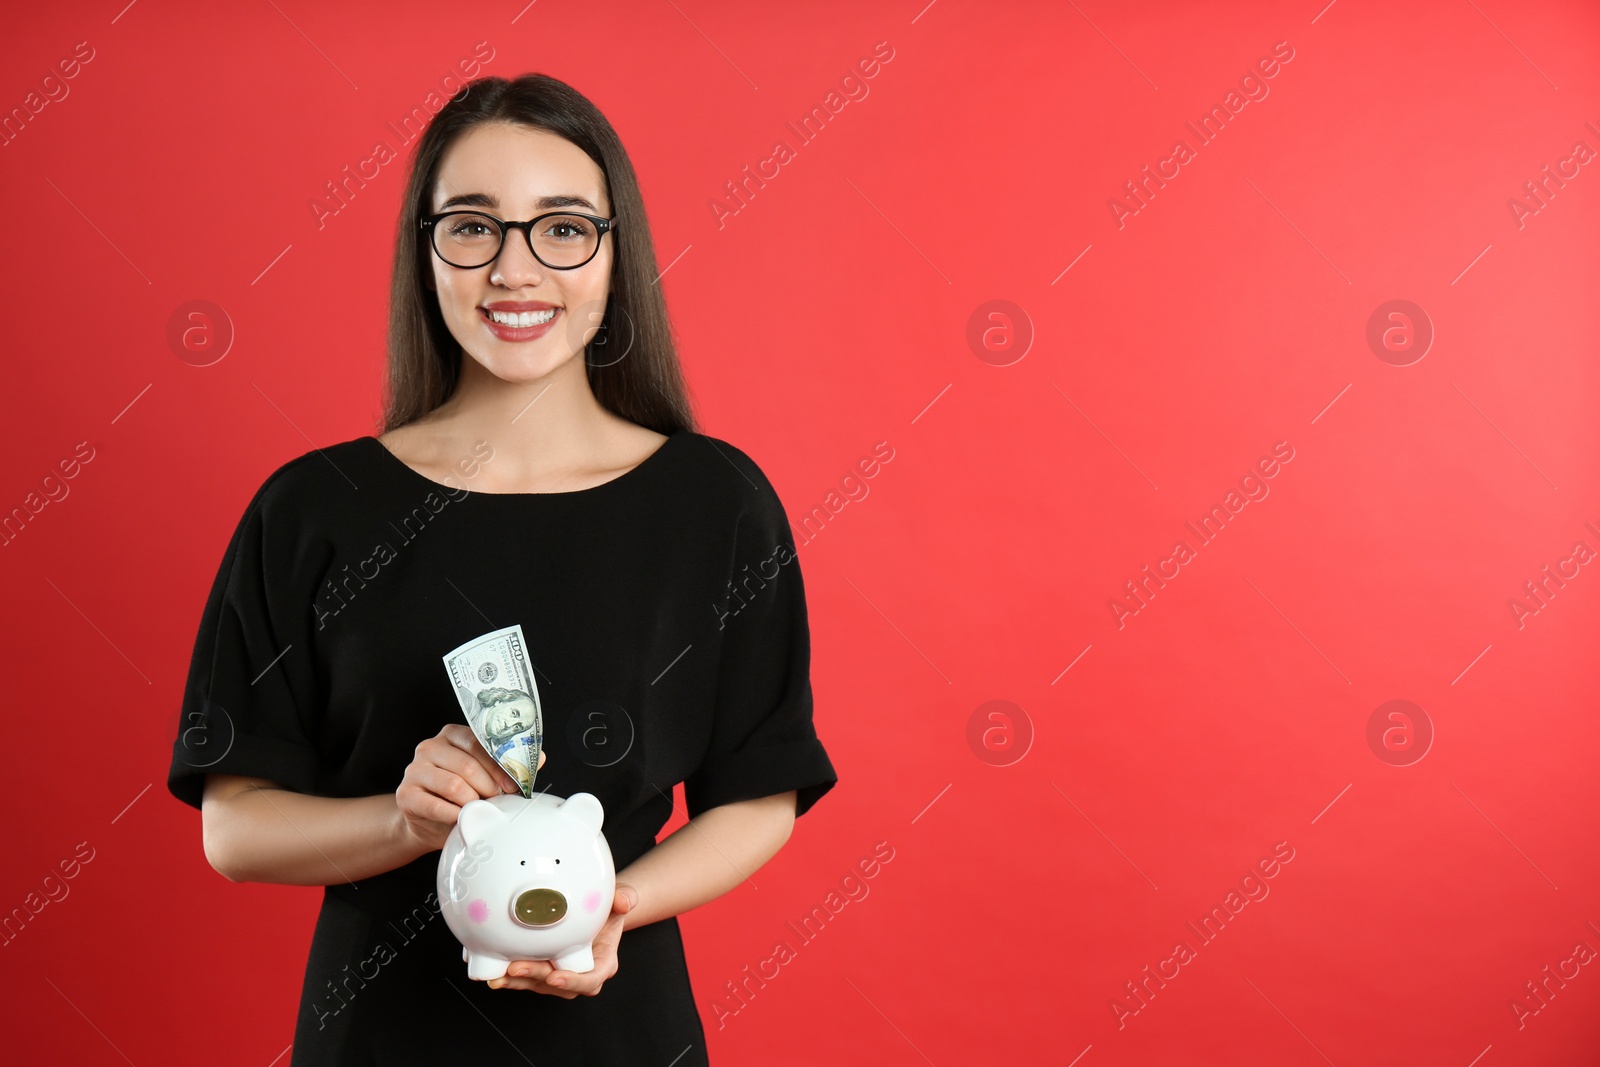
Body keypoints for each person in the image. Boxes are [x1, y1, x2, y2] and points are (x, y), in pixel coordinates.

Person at [166, 72, 837, 1066]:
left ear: (615, 253)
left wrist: (610, 907)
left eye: (562, 229)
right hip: (379, 1036)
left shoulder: (714, 501)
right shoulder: (313, 509)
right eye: (473, 228)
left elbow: (757, 794)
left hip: (623, 1031)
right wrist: (404, 819)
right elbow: (235, 829)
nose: (515, 271)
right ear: (424, 251)